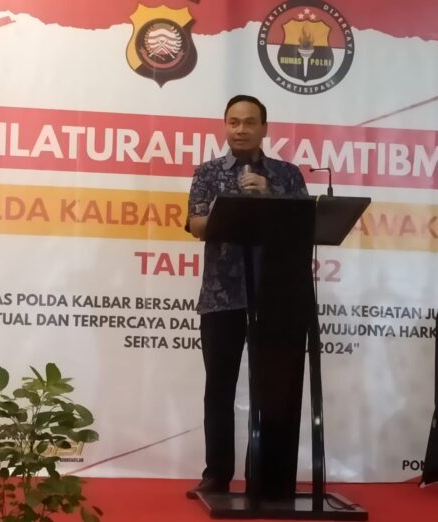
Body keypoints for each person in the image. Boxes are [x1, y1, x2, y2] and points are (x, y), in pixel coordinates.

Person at [186, 94, 307, 498]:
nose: (240, 130)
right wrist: (232, 208)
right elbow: (196, 223)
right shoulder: (208, 173)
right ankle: (217, 474)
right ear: (225, 126)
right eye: (233, 122)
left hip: (276, 298)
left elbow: (304, 222)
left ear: (264, 128)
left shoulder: (287, 175)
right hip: (222, 296)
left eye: (249, 122)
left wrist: (270, 196)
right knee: (219, 389)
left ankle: (271, 478)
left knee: (275, 390)